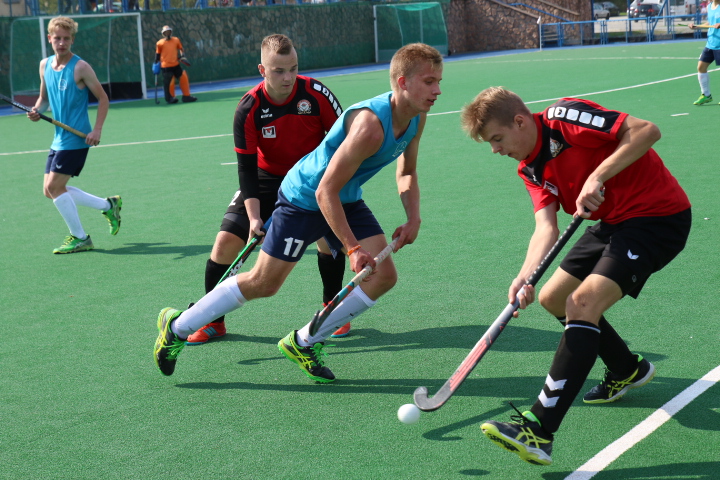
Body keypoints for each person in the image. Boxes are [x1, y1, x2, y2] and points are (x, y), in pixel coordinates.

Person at [154, 42, 443, 382]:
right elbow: (324, 191)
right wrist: (352, 248)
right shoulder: (370, 126)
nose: (437, 90)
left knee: (384, 275)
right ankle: (177, 326)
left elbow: (407, 171)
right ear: (403, 82)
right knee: (264, 283)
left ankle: (304, 342)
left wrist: (413, 217)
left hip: (345, 197)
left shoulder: (416, 117)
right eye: (429, 82)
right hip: (304, 197)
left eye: (438, 81)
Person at [460, 87, 691, 466]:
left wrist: (596, 177)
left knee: (582, 303)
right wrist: (525, 277)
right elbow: (545, 228)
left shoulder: (564, 119)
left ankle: (539, 429)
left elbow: (646, 130)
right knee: (552, 297)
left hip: (656, 217)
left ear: (519, 121)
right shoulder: (529, 169)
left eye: (497, 139)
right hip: (613, 222)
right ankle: (627, 368)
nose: (495, 150)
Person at [186, 33, 348, 346]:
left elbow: (345, 141)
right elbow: (246, 168)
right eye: (279, 71)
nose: (288, 77)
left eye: (293, 68)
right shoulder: (249, 107)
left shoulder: (316, 94)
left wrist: (330, 183)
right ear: (262, 70)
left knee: (329, 241)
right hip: (266, 178)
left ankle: (331, 309)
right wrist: (254, 218)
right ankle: (213, 321)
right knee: (224, 243)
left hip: (311, 178)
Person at [28, 16, 122, 255]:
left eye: (66, 38)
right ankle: (108, 205)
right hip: (58, 138)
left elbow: (103, 98)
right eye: (57, 38)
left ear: (72, 40)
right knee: (49, 190)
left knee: (54, 187)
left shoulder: (81, 67)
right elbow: (44, 98)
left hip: (76, 139)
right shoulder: (44, 65)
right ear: (49, 39)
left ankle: (80, 238)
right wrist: (37, 111)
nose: (62, 43)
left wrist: (97, 129)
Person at [154, 25, 197, 105]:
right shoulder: (159, 43)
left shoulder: (176, 40)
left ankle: (186, 96)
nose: (167, 33)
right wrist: (156, 64)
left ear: (171, 32)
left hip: (176, 65)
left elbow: (181, 49)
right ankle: (170, 98)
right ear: (163, 34)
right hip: (166, 66)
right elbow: (157, 55)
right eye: (165, 32)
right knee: (169, 82)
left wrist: (182, 56)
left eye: (169, 32)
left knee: (183, 76)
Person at [691, 0, 720, 105]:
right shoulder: (709, 6)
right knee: (701, 67)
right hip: (710, 43)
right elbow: (710, 22)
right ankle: (706, 95)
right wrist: (697, 26)